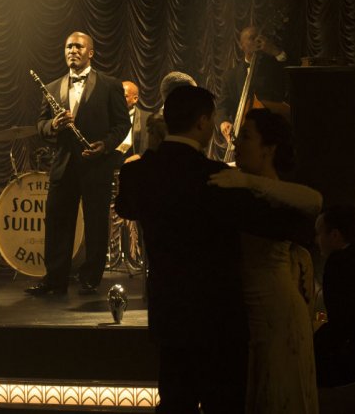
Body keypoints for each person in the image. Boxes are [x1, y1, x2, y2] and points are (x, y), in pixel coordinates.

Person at [115, 86, 308, 413]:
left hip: (170, 313)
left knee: (176, 403)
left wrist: (153, 156)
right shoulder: (217, 177)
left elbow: (126, 207)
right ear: (203, 122)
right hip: (219, 317)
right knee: (224, 404)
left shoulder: (138, 172)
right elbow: (278, 226)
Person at [208, 108, 320, 413]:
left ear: (269, 149)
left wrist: (249, 182)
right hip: (249, 313)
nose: (236, 144)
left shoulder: (273, 192)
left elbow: (315, 200)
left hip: (278, 308)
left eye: (246, 137)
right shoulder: (238, 190)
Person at [25, 31, 130, 297]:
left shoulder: (110, 85)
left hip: (96, 164)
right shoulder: (51, 88)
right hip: (63, 165)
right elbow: (40, 126)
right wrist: (53, 124)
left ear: (90, 53)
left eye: (79, 47)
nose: (73, 50)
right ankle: (55, 279)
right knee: (57, 223)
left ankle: (90, 278)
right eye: (69, 46)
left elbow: (122, 124)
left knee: (96, 224)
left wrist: (105, 145)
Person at [313, 205, 355, 387]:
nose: (316, 240)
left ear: (335, 235)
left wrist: (311, 344)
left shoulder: (338, 263)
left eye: (319, 233)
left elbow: (341, 322)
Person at [217, 25, 290, 142]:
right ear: (241, 45)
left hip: (274, 133)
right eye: (252, 38)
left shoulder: (273, 66)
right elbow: (222, 106)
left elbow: (291, 73)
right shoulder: (230, 76)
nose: (257, 40)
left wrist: (274, 51)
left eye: (259, 37)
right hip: (243, 136)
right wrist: (223, 122)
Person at [116, 80, 152, 165]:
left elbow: (154, 148)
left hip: (135, 166)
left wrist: (141, 156)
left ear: (135, 99)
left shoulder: (148, 119)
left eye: (124, 96)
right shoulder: (107, 115)